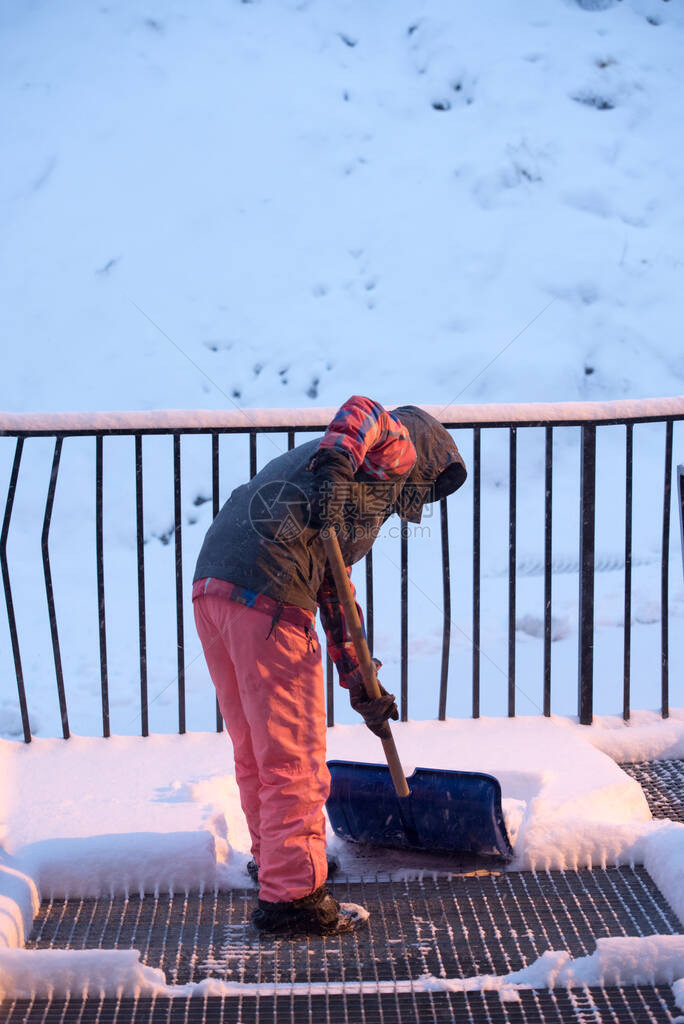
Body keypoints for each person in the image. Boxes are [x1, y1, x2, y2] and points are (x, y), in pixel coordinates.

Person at [192, 395, 466, 936]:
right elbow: (363, 411)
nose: (417, 503)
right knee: (293, 758)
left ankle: (279, 864)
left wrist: (364, 685)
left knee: (257, 750)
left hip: (215, 587)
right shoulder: (388, 455)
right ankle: (293, 897)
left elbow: (336, 598)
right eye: (427, 490)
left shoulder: (330, 505)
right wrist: (338, 470)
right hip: (269, 592)